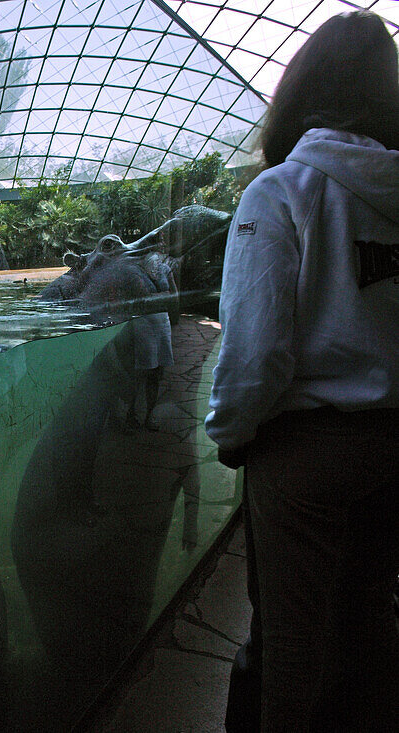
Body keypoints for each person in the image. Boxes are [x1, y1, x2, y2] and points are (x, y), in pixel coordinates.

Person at [205, 10, 399, 732]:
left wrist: (231, 431)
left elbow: (257, 350)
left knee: (292, 642)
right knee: (370, 623)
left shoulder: (281, 192)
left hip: (308, 454)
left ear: (301, 88)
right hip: (392, 441)